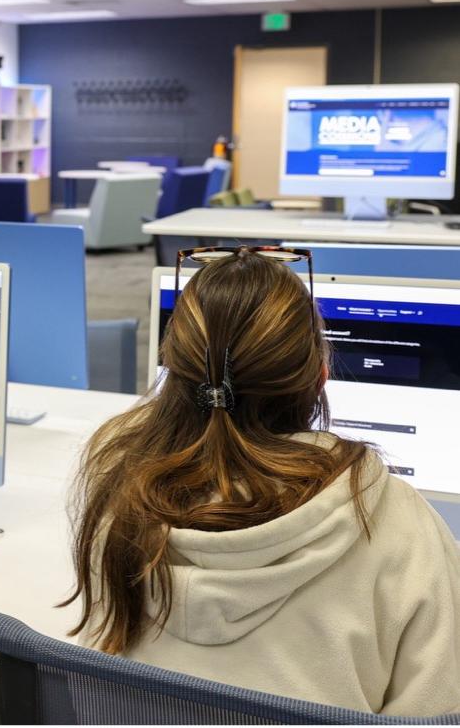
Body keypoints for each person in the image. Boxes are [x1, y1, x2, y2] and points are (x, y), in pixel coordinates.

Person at [63, 249, 460, 716]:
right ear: (320, 377)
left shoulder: (117, 499)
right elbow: (437, 707)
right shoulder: (400, 526)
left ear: (173, 376)